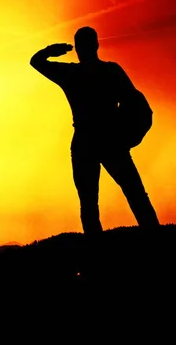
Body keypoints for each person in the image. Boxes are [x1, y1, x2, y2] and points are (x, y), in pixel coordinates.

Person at [29, 26, 160, 236]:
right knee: (135, 194)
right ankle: (155, 241)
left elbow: (35, 62)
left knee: (89, 204)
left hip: (86, 143)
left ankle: (96, 254)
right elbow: (134, 102)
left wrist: (50, 51)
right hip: (111, 141)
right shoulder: (111, 71)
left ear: (78, 48)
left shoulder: (71, 74)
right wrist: (127, 133)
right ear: (97, 45)